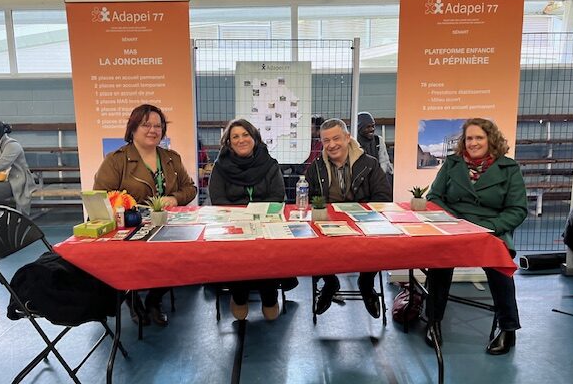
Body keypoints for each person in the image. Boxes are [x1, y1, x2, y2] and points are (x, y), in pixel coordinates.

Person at [425, 118, 527, 355]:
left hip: (491, 229)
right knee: (438, 262)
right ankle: (433, 321)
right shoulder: (452, 164)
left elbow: (517, 209)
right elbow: (434, 197)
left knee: (500, 268)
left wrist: (492, 227)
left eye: (479, 137)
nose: (473, 143)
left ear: (491, 139)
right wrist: (453, 221)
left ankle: (508, 329)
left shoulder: (509, 168)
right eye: (469, 138)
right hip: (455, 227)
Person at [93, 104, 197, 326]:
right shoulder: (116, 160)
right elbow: (99, 197)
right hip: (130, 230)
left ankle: (153, 300)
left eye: (158, 126)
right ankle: (132, 298)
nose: (153, 130)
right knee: (133, 260)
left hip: (167, 227)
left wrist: (175, 199)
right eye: (146, 125)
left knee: (183, 255)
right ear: (133, 128)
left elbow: (190, 188)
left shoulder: (172, 158)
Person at [306, 118, 392, 318]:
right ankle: (330, 282)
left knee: (377, 243)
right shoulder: (315, 168)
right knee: (311, 244)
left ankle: (366, 283)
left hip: (363, 227)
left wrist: (362, 216)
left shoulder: (369, 164)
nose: (332, 145)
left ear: (347, 137)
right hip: (327, 228)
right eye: (326, 141)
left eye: (336, 138)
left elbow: (383, 198)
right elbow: (309, 201)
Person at [208, 118, 287, 321]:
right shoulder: (220, 167)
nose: (241, 140)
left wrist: (257, 217)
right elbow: (218, 200)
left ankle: (270, 297)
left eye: (245, 135)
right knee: (237, 254)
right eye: (235, 136)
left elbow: (278, 196)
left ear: (254, 138)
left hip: (266, 224)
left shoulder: (270, 164)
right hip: (234, 227)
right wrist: (242, 218)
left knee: (269, 252)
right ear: (228, 142)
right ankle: (239, 296)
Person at [357, 112, 394, 177]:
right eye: (368, 127)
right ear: (360, 128)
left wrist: (377, 177)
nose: (372, 129)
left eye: (373, 126)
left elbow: (384, 162)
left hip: (377, 178)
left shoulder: (378, 140)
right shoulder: (353, 142)